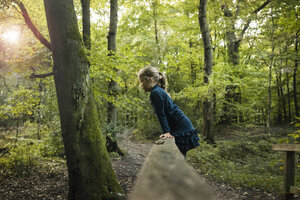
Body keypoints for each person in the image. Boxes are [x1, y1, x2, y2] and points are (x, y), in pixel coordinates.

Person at [138, 66, 200, 156]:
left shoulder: (156, 93)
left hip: (181, 128)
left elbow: (161, 114)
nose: (141, 85)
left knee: (176, 159)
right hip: (183, 126)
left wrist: (166, 132)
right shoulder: (158, 91)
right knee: (177, 158)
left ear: (150, 79)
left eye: (142, 81)